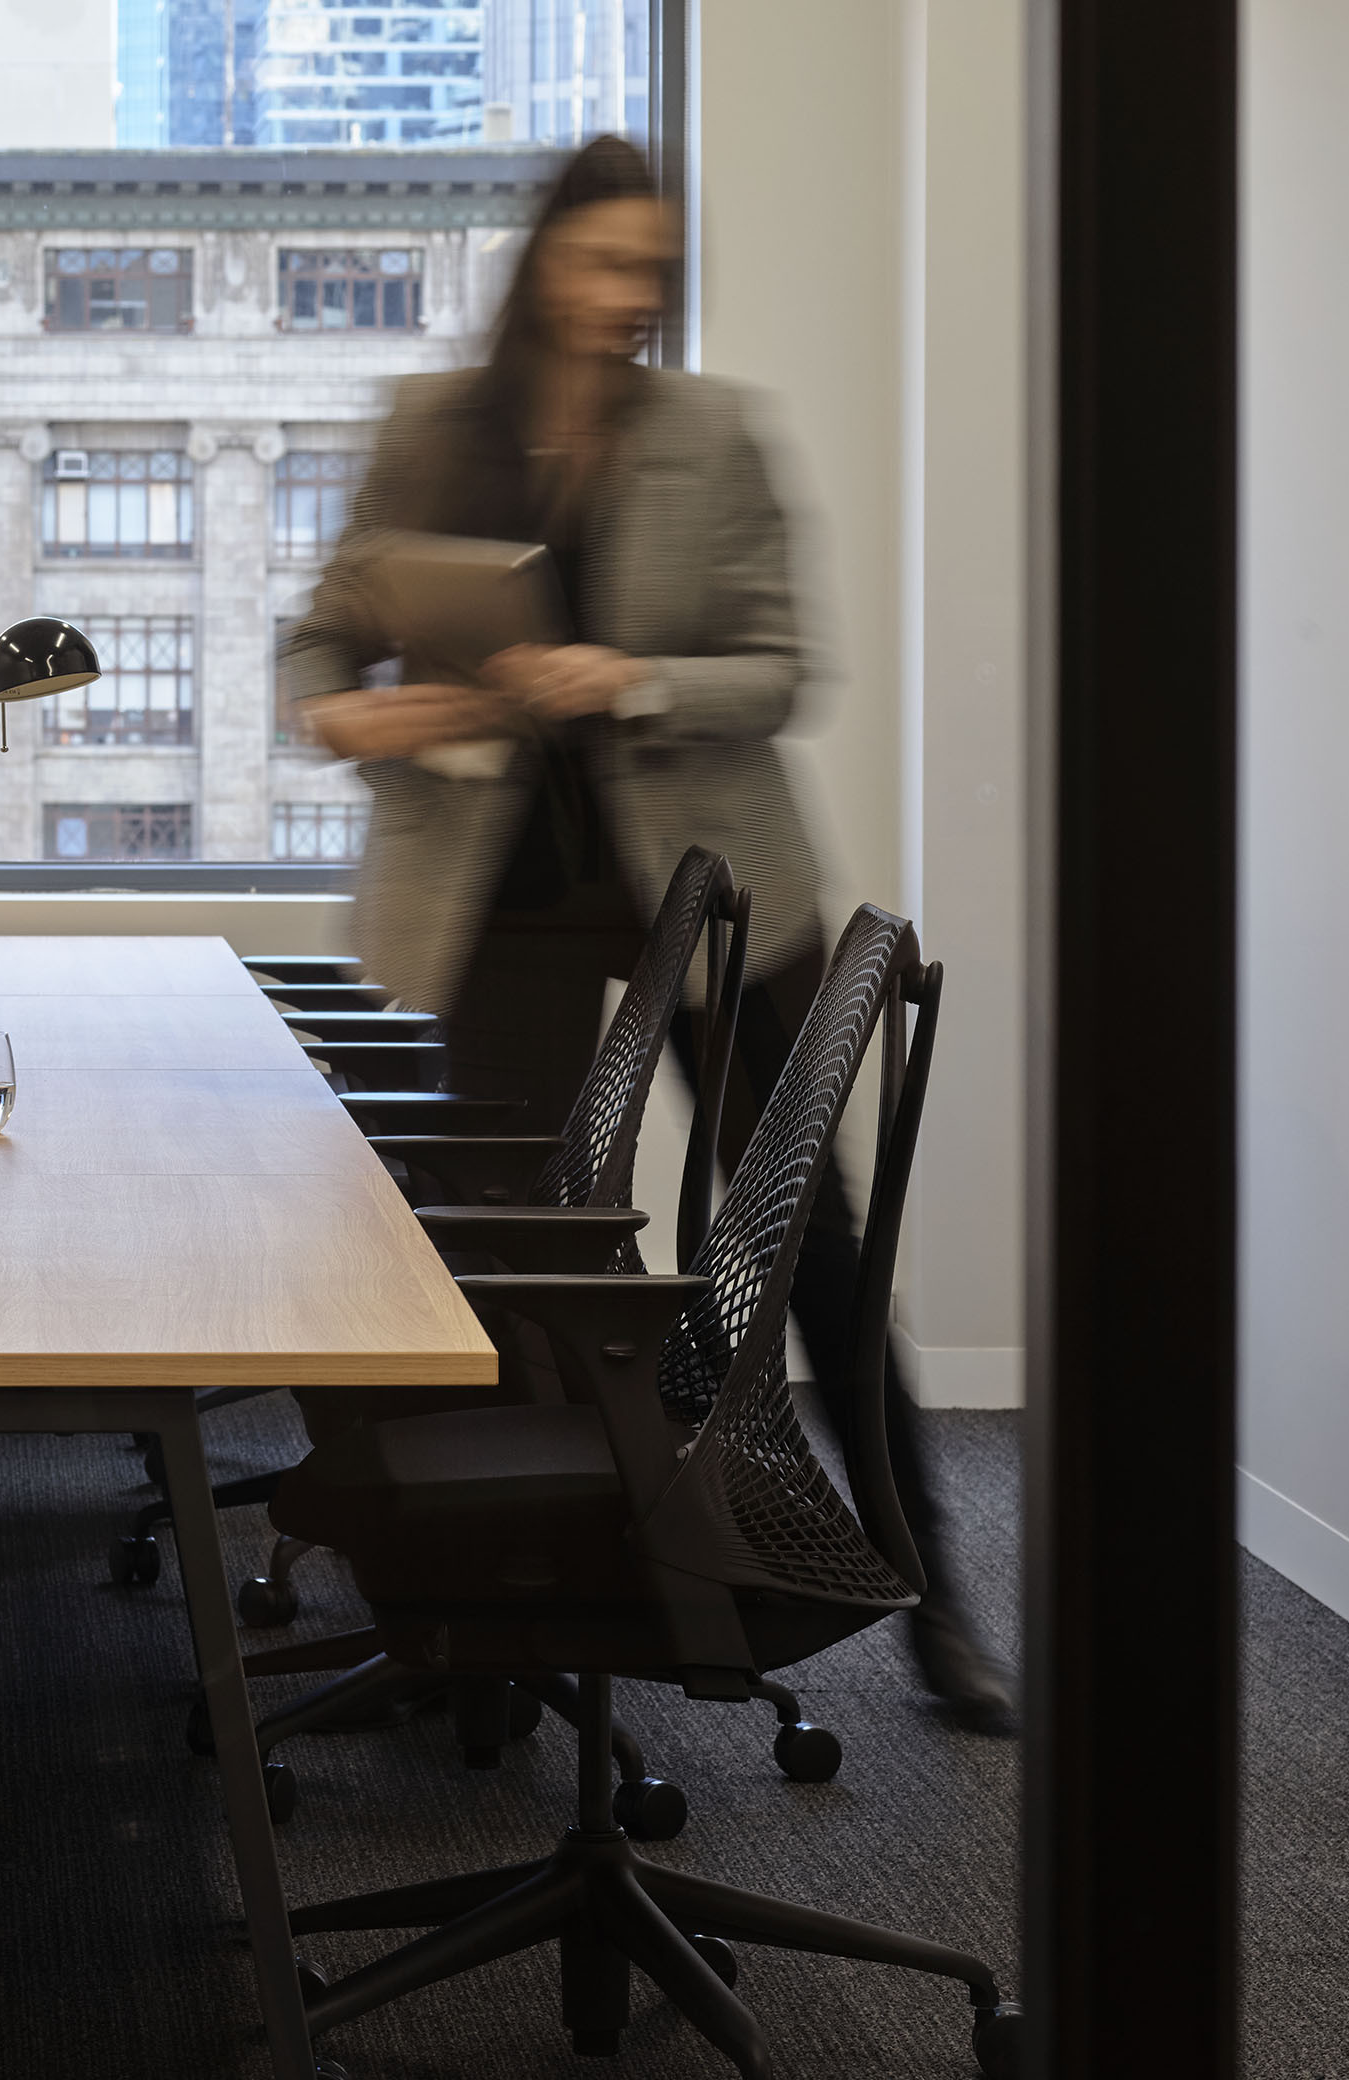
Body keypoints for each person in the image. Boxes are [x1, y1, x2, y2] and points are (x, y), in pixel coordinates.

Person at [283, 134, 1016, 1735]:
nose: (633, 293)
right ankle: (510, 1616)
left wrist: (629, 680)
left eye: (655, 270)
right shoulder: (432, 429)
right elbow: (319, 647)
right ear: (543, 260)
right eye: (607, 261)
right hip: (504, 897)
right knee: (502, 1246)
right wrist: (356, 713)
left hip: (715, 884)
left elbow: (783, 668)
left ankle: (935, 1599)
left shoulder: (713, 434)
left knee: (806, 1243)